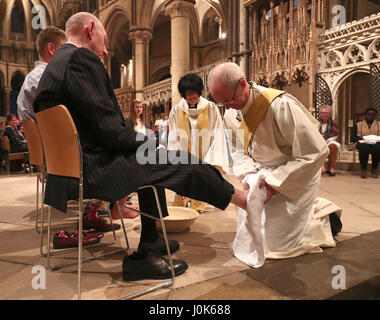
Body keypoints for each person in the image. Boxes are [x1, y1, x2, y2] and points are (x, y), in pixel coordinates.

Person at [33, 12, 251, 281]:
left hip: (71, 168)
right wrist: (148, 143)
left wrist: (145, 144)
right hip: (94, 168)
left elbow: (97, 124)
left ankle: (152, 239)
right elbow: (111, 130)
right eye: (104, 38)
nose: (106, 48)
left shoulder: (56, 64)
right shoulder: (80, 59)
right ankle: (243, 200)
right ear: (91, 29)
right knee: (179, 161)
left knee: (153, 159)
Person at [208, 62, 342, 268]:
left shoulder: (279, 105)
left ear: (243, 84)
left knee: (276, 246)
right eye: (221, 103)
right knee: (252, 237)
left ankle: (326, 220)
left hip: (294, 173)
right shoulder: (230, 113)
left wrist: (273, 183)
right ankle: (307, 213)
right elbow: (237, 150)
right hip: (259, 174)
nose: (227, 107)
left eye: (229, 99)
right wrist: (247, 174)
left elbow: (314, 153)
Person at [168, 72, 229, 211]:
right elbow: (173, 135)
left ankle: (204, 201)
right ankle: (186, 200)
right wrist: (178, 155)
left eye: (193, 93)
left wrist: (213, 156)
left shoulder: (211, 108)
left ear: (199, 91)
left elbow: (218, 132)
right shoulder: (176, 110)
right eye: (187, 94)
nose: (191, 97)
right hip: (185, 154)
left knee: (205, 176)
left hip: (205, 154)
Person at [17, 26, 67, 122]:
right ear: (51, 49)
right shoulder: (46, 77)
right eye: (64, 50)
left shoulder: (32, 77)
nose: (66, 55)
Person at [351, 107, 380, 179]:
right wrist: (362, 138)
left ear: (375, 116)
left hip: (376, 143)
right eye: (369, 115)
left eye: (373, 115)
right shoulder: (358, 125)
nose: (370, 116)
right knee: (364, 146)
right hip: (362, 143)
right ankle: (363, 169)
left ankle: (374, 169)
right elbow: (352, 138)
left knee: (377, 147)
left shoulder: (379, 124)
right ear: (365, 115)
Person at [319, 105, 340, 176]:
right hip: (318, 141)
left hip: (329, 141)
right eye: (322, 112)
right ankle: (321, 167)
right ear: (320, 114)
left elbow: (335, 134)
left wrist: (328, 141)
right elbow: (313, 133)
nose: (324, 114)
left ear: (330, 114)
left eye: (326, 113)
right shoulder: (316, 122)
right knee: (319, 145)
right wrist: (321, 140)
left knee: (333, 146)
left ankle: (332, 168)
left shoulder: (333, 123)